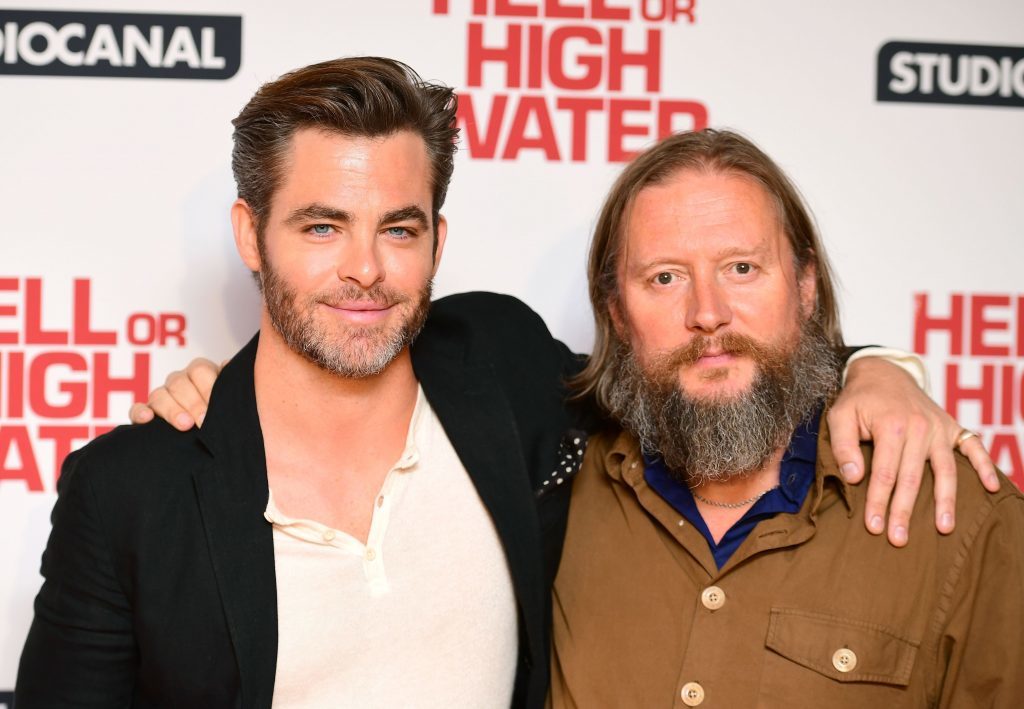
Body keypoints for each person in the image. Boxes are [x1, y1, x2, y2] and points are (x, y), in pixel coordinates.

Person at [16, 57, 993, 708]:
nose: (365, 268)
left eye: (397, 227)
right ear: (248, 238)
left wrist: (880, 369)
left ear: (437, 241)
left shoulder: (505, 368)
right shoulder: (131, 491)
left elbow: (706, 364)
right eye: (321, 226)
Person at [548, 129, 1024, 707]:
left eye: (742, 268)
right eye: (665, 278)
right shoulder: (557, 485)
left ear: (805, 287)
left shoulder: (962, 518)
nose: (708, 313)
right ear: (617, 313)